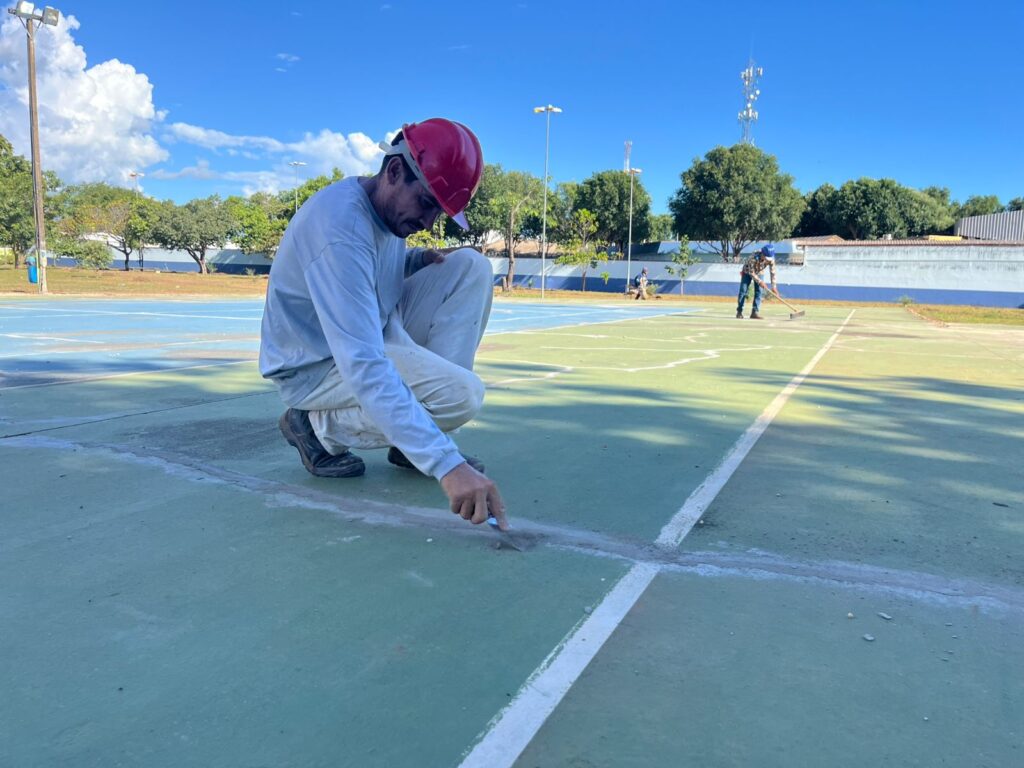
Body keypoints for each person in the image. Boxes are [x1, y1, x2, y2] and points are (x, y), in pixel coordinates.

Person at [259, 118, 508, 531]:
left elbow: (372, 265)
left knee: (471, 267)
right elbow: (363, 362)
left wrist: (417, 259)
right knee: (461, 396)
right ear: (394, 171)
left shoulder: (386, 210)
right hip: (316, 364)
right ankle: (316, 428)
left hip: (372, 330)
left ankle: (411, 442)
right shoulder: (339, 229)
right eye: (426, 204)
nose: (428, 223)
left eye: (439, 212)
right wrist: (447, 464)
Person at [736, 244, 778, 319]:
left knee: (759, 291)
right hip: (747, 271)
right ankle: (739, 311)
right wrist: (760, 281)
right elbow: (751, 272)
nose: (767, 260)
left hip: (759, 271)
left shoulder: (771, 258)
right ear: (762, 254)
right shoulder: (753, 256)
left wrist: (774, 286)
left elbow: (773, 272)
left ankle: (754, 312)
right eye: (766, 258)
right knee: (743, 291)